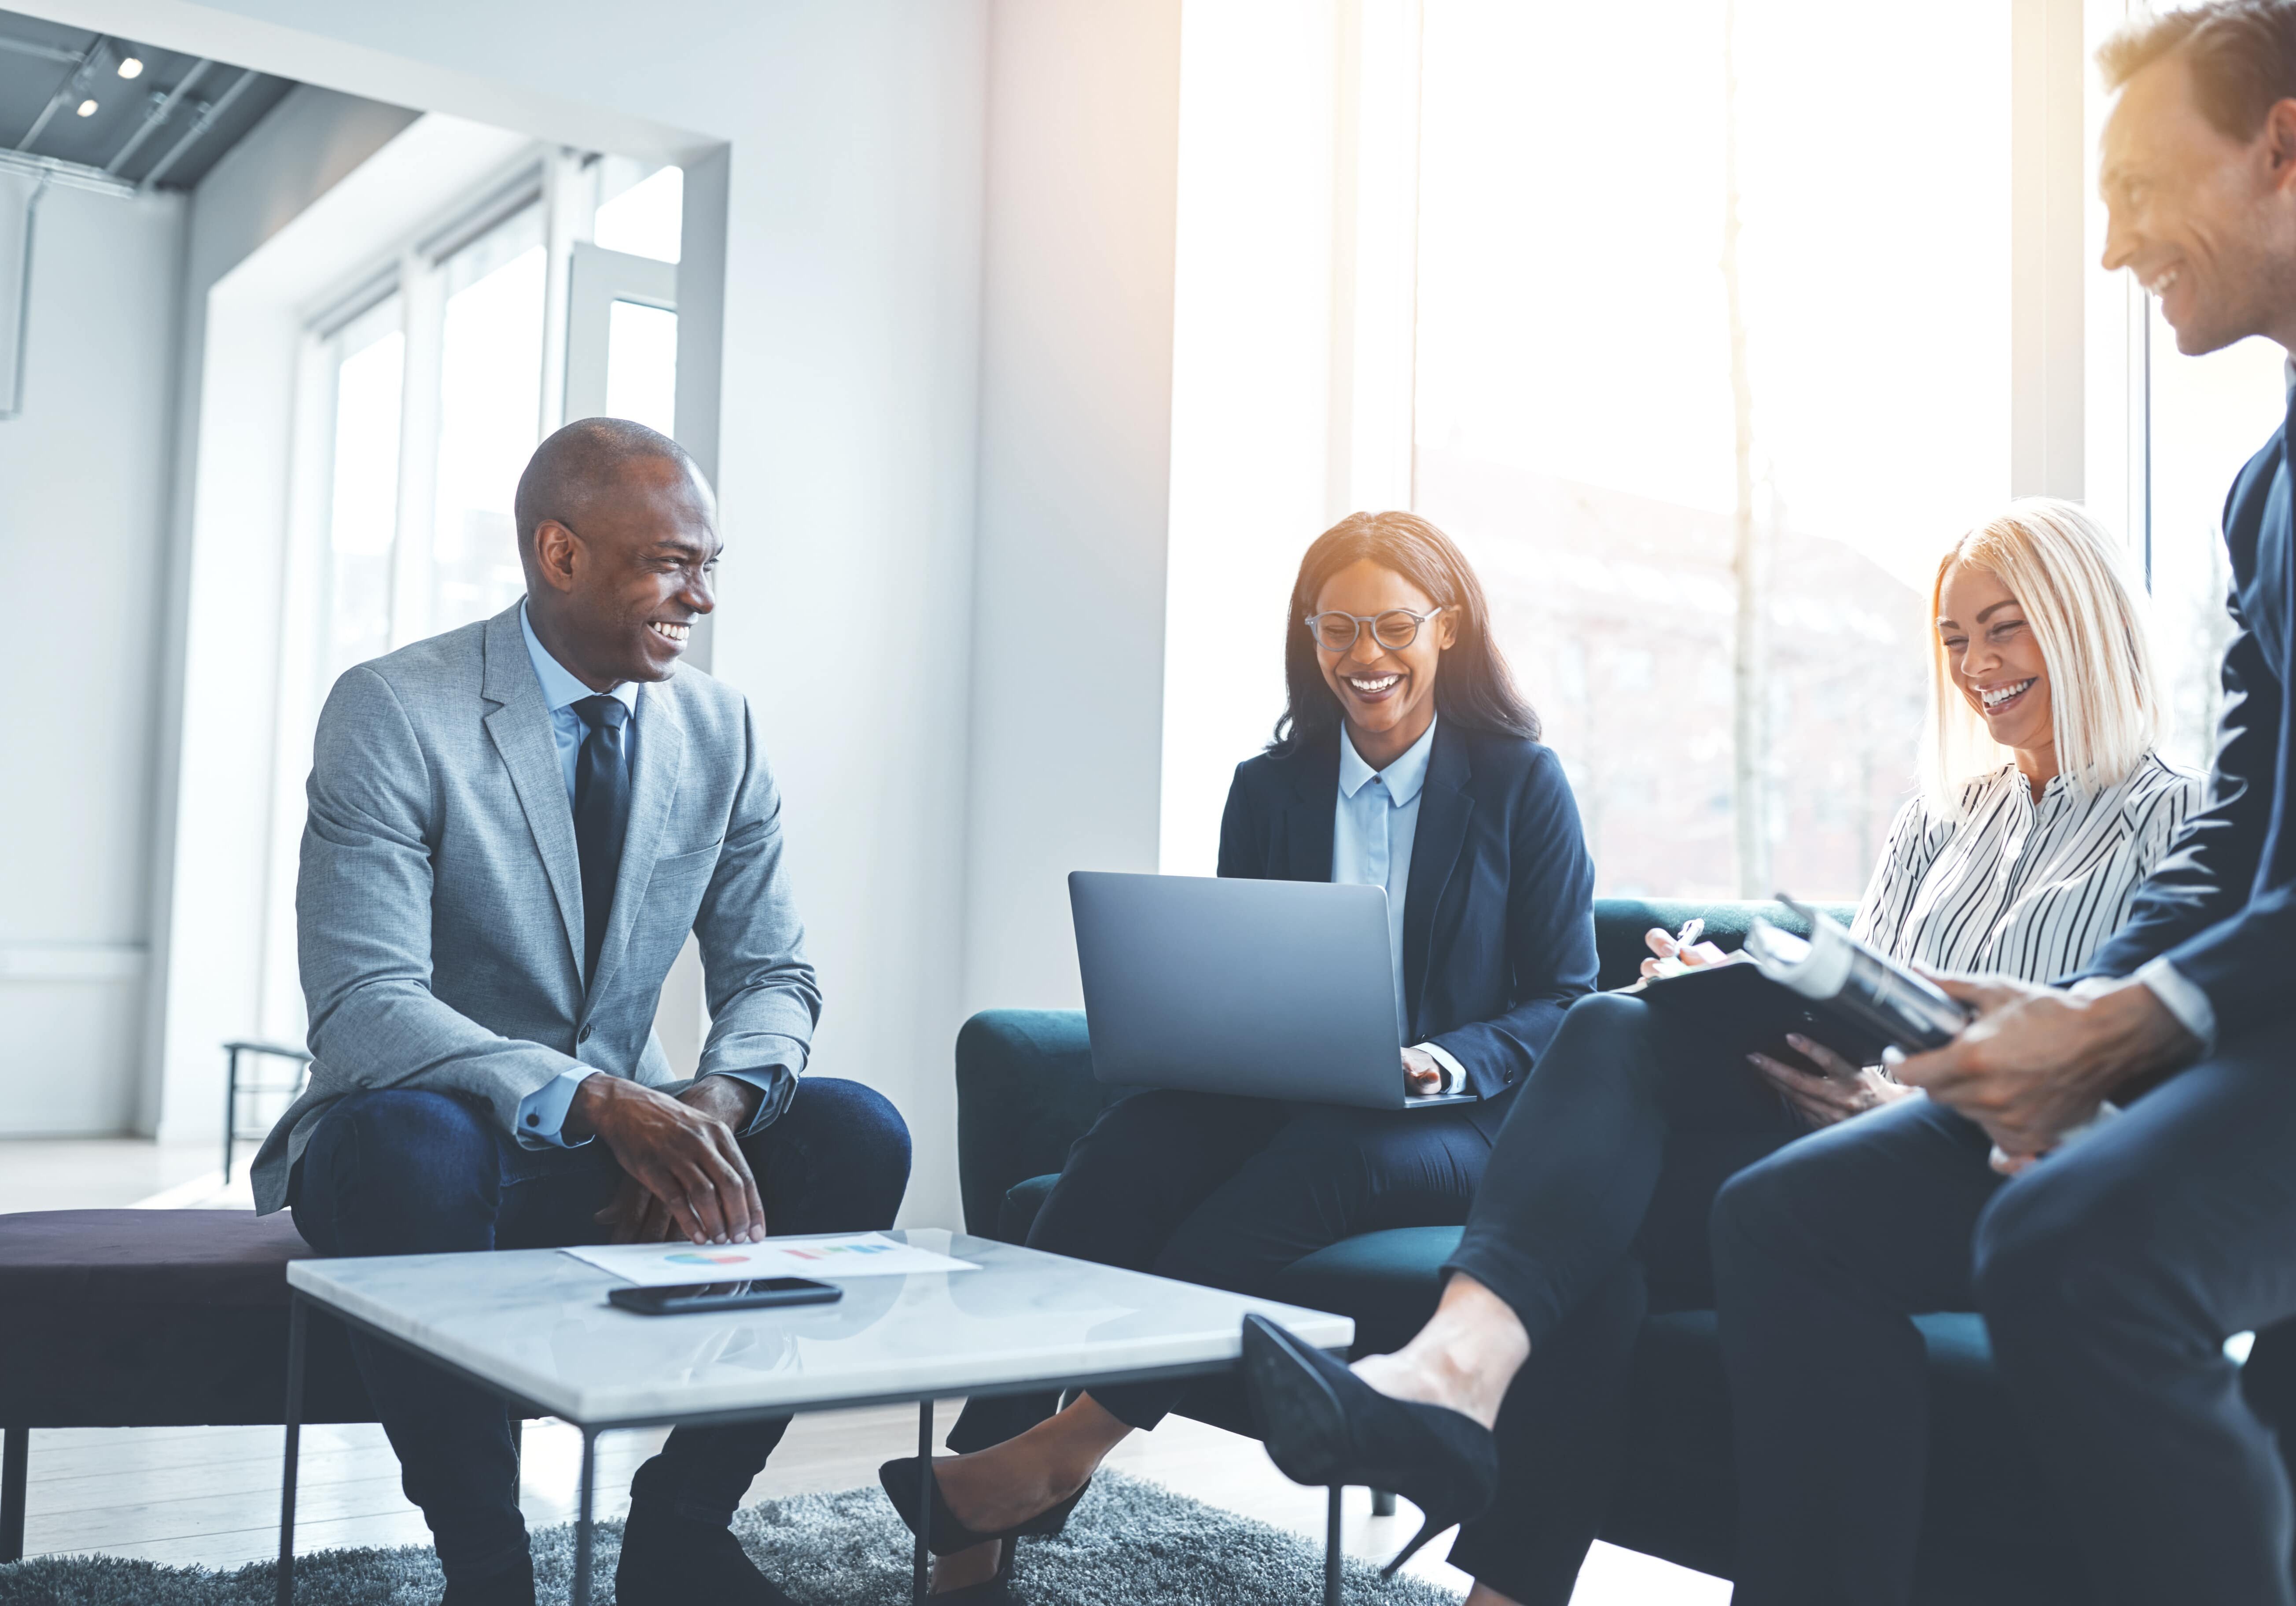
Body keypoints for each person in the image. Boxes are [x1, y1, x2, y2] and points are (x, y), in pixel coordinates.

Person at [1240, 497, 2199, 1606]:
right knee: (1615, 1043)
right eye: (1953, 639)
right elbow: (1865, 1004)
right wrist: (1728, 1003)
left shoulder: (2174, 827)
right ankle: (1489, 1526)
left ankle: (1452, 1380)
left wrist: (1890, 1107)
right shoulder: (1938, 822)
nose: (1976, 665)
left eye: (2004, 627)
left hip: (1992, 1185)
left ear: (2082, 622)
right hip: (1836, 1147)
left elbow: (2133, 1095)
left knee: (1599, 1184)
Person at [1691, 11, 2296, 1602]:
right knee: (1780, 1221)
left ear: (2280, 151)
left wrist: (2122, 1032)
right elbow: (2242, 838)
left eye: (2136, 186)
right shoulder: (2261, 487)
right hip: (2255, 1028)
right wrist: (2082, 1012)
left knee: (2071, 1248)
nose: (2106, 247)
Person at [247, 419, 912, 1606]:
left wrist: (705, 1105)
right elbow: (363, 1005)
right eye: (671, 563)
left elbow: (774, 976)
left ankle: (679, 1533)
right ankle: (489, 1571)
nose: (700, 597)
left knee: (859, 1131)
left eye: (712, 565)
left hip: (628, 1137)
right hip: (436, 1142)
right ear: (559, 555)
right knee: (410, 1145)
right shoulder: (396, 710)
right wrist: (594, 1101)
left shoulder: (722, 728)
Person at [878, 510, 1599, 1599]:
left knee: (1325, 1163)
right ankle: (983, 1500)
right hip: (1293, 1092)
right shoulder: (1271, 788)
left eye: (1393, 625)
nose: (1366, 657)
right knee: (1127, 1147)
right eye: (1337, 629)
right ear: (1309, 639)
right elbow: (1243, 975)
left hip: (1458, 1118)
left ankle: (1055, 1458)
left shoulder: (1519, 780)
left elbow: (1563, 999)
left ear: (1445, 629)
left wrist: (1438, 1062)